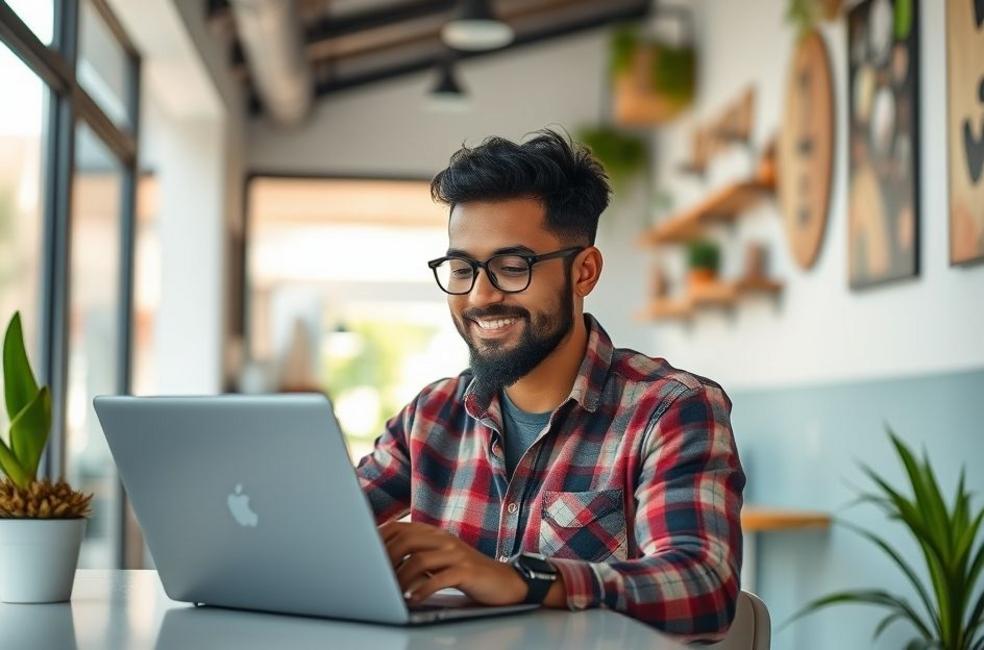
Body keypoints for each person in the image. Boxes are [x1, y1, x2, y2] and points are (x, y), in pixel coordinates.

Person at [356, 129, 745, 642]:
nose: (480, 295)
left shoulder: (670, 409)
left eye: (512, 267)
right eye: (461, 268)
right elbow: (324, 530)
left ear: (584, 272)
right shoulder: (431, 415)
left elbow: (702, 587)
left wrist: (526, 580)